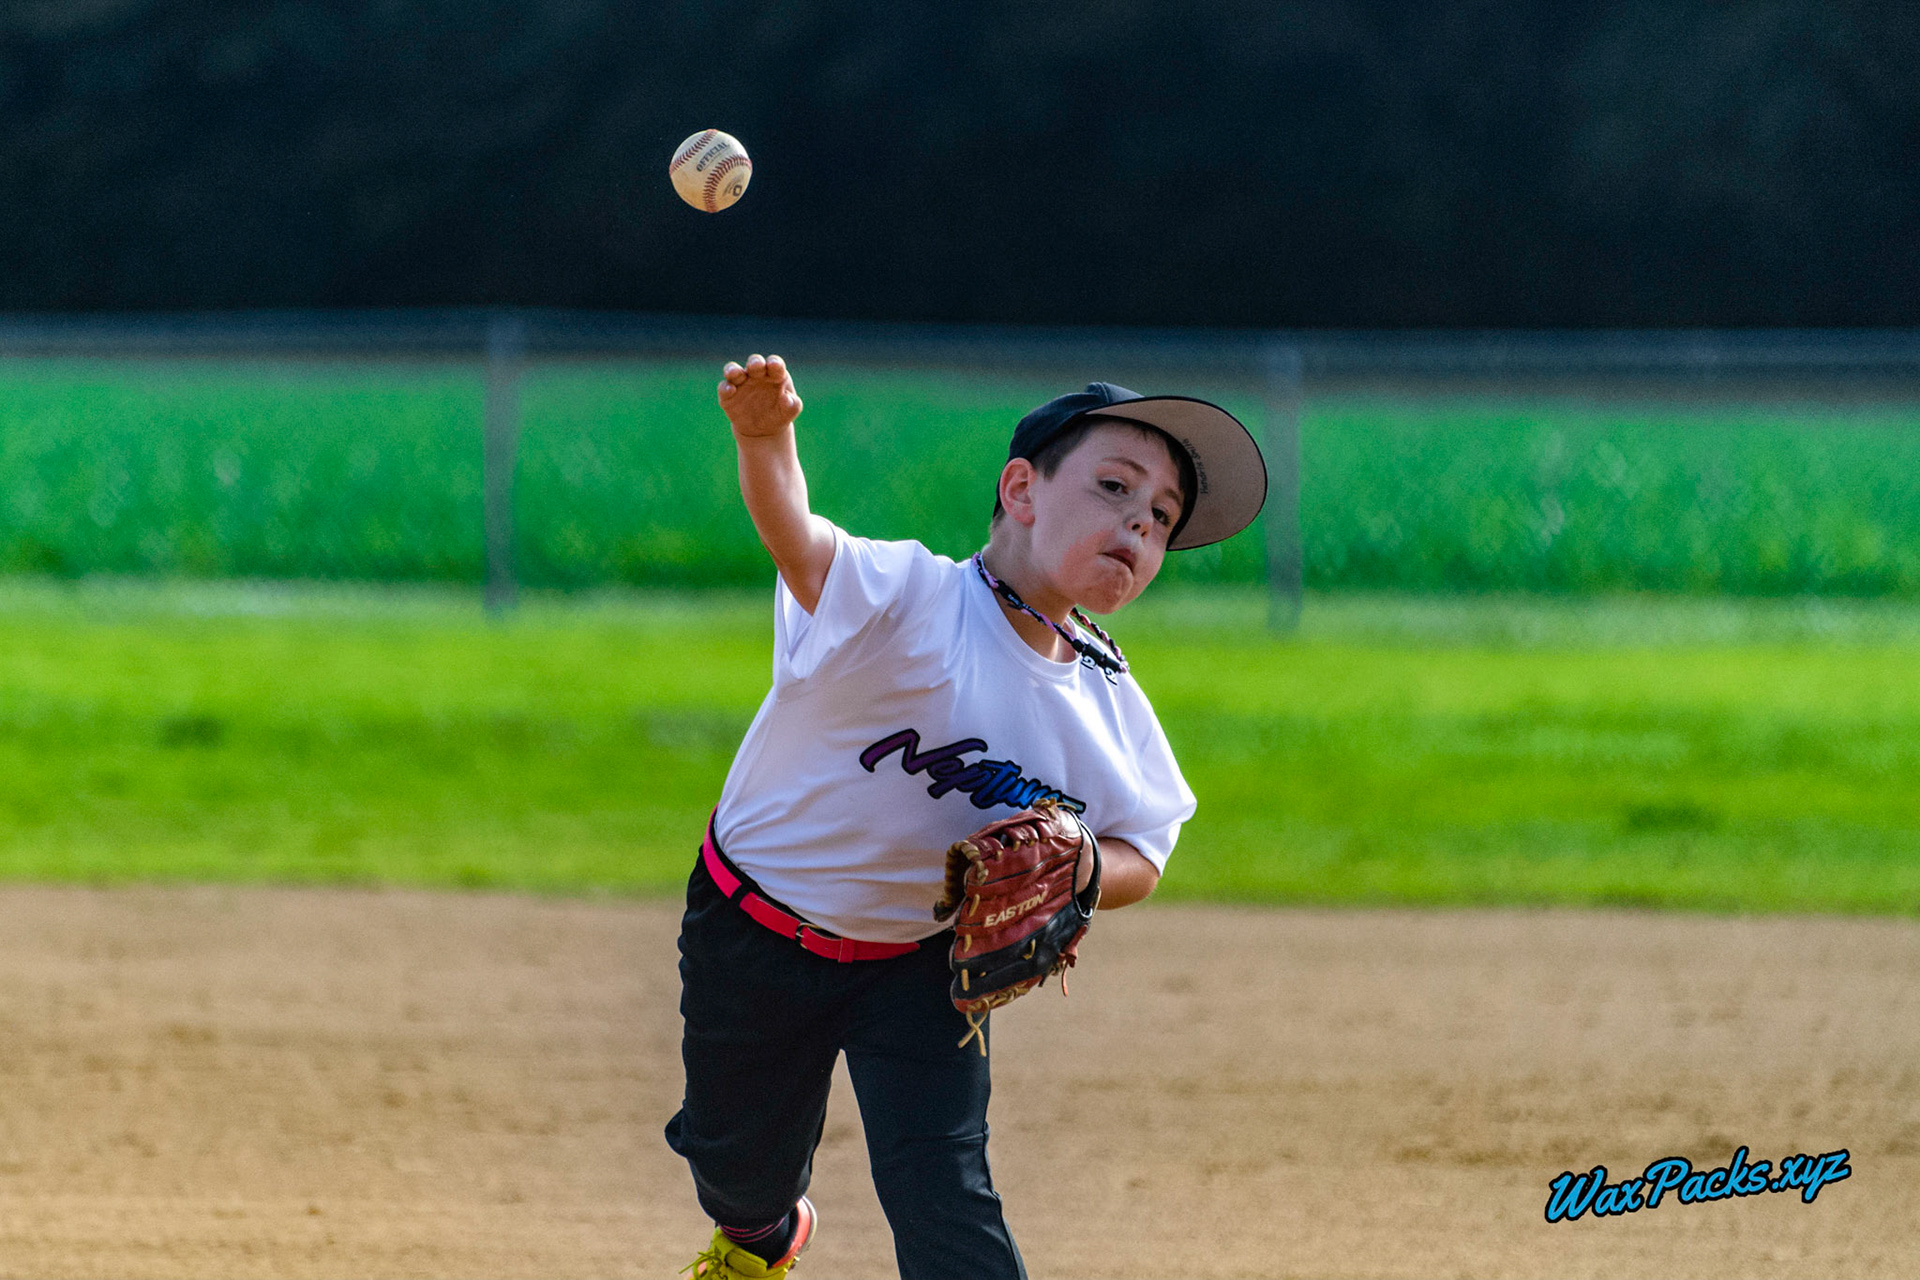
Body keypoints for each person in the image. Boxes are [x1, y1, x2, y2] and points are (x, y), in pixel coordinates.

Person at [671, 354, 1268, 1279]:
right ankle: (762, 1235)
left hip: (920, 962)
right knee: (738, 1170)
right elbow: (798, 541)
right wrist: (764, 438)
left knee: (945, 1191)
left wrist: (1081, 864)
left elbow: (1145, 848)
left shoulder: (1107, 702)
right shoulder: (911, 597)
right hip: (755, 929)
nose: (1138, 525)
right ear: (1021, 490)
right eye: (1115, 487)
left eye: (1161, 518)